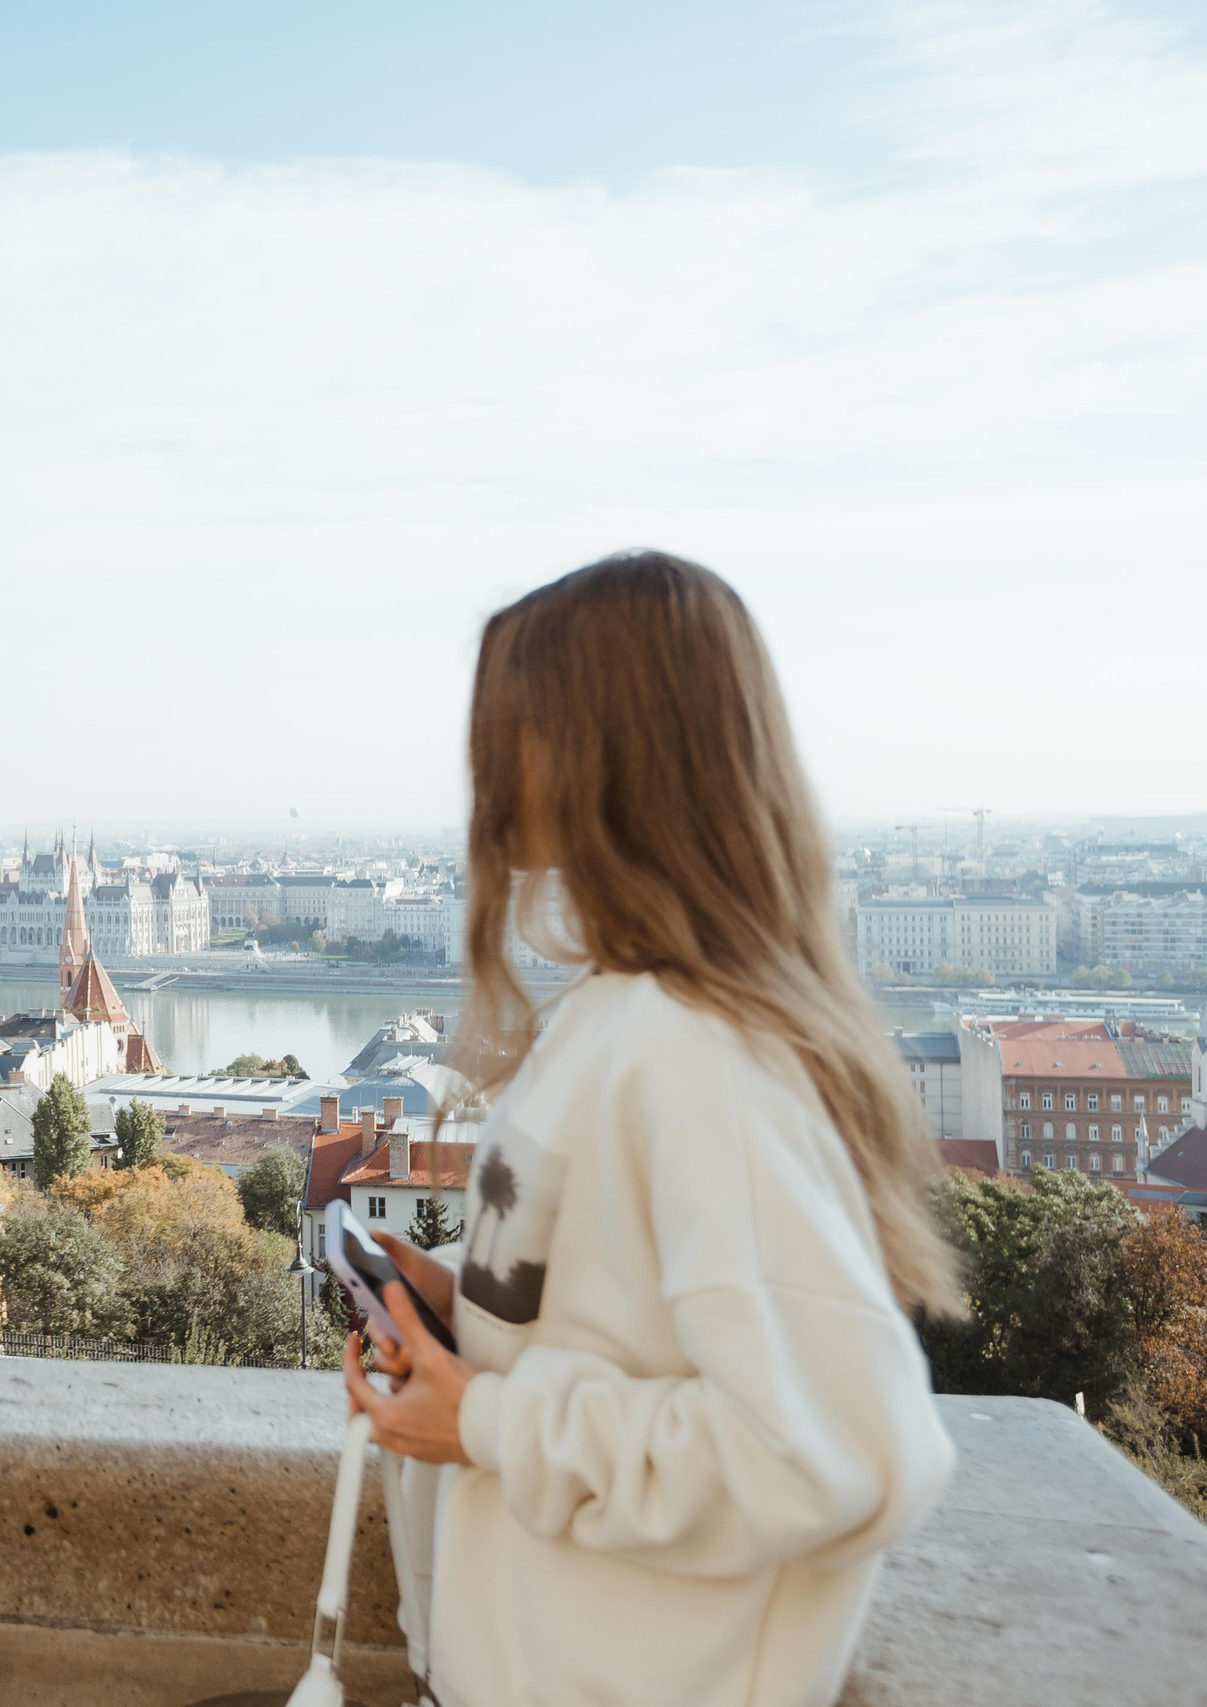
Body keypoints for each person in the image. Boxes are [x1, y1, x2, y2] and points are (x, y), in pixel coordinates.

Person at [341, 552, 960, 1707]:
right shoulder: (626, 1016)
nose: (478, 758)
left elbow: (835, 1450)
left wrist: (489, 1419)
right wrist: (465, 1318)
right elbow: (628, 1333)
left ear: (603, 747)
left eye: (508, 721)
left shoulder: (696, 1055)